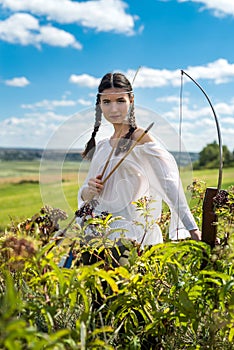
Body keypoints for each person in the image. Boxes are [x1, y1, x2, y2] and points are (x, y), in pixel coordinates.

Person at [77, 72, 201, 253]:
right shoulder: (103, 146)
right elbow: (86, 196)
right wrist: (89, 189)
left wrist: (192, 228)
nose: (113, 109)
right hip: (97, 237)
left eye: (120, 100)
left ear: (131, 100)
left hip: (131, 239)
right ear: (99, 104)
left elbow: (168, 183)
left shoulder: (140, 139)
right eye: (107, 102)